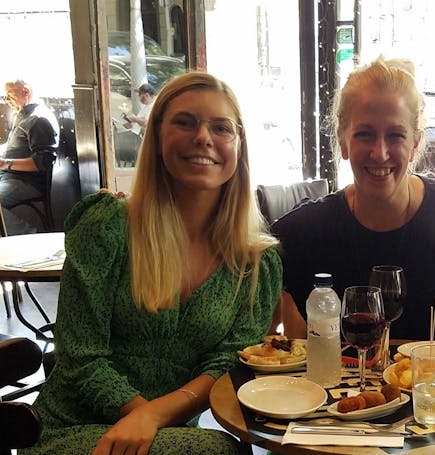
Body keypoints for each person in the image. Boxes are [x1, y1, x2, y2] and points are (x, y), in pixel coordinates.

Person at [22, 72, 282, 455]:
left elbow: (228, 363)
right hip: (71, 429)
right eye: (185, 122)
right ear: (158, 136)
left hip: (164, 433)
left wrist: (155, 417)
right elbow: (80, 354)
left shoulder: (256, 263)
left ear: (239, 145)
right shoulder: (107, 226)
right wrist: (142, 415)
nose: (203, 138)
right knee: (219, 451)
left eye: (221, 127)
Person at [271, 56, 435, 347]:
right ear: (343, 142)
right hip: (344, 391)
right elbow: (248, 264)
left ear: (415, 142)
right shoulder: (308, 231)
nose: (380, 153)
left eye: (395, 135)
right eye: (365, 135)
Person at [0, 79, 59, 234]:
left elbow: (43, 162)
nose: (7, 101)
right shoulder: (22, 114)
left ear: (25, 92)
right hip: (8, 175)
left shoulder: (38, 119)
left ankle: (28, 237)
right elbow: (17, 147)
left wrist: (6, 163)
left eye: (9, 96)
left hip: (25, 181)